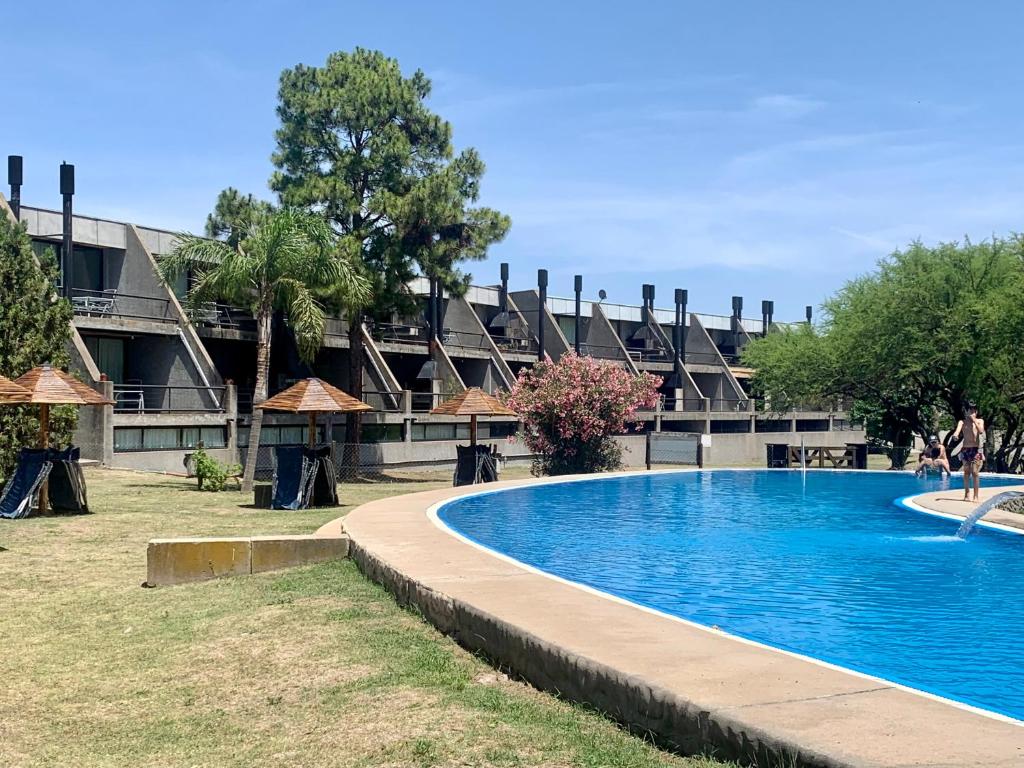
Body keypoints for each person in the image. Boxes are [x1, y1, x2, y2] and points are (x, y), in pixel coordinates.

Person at [952, 402, 986, 502]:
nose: (973, 411)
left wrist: (974, 420)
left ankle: (976, 495)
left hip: (976, 449)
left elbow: (981, 431)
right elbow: (957, 431)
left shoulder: (980, 421)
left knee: (975, 472)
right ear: (966, 411)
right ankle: (967, 493)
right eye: (970, 409)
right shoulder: (962, 422)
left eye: (974, 410)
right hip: (966, 449)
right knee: (966, 472)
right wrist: (955, 435)